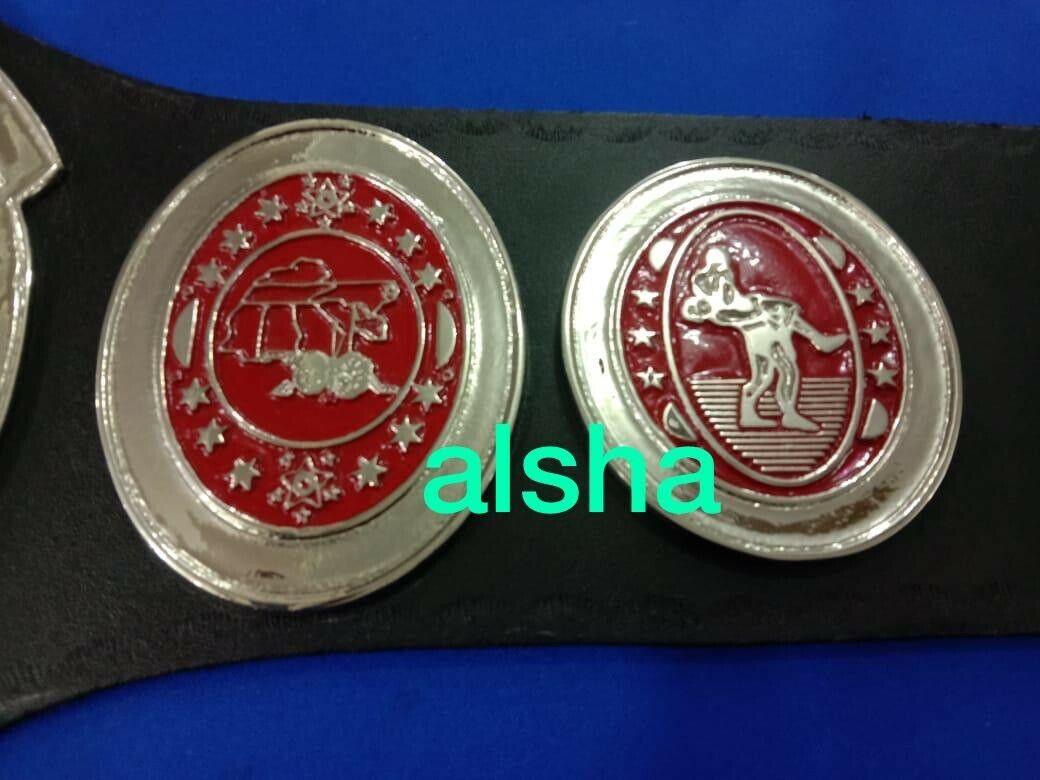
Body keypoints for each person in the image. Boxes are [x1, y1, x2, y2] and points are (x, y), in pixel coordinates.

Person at [680, 245, 847, 431]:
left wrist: (773, 306)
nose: (724, 274)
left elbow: (745, 302)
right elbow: (735, 313)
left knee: (784, 369)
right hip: (759, 333)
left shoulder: (725, 282)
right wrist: (767, 309)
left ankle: (782, 412)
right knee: (769, 375)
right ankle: (762, 414)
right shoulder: (709, 292)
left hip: (770, 327)